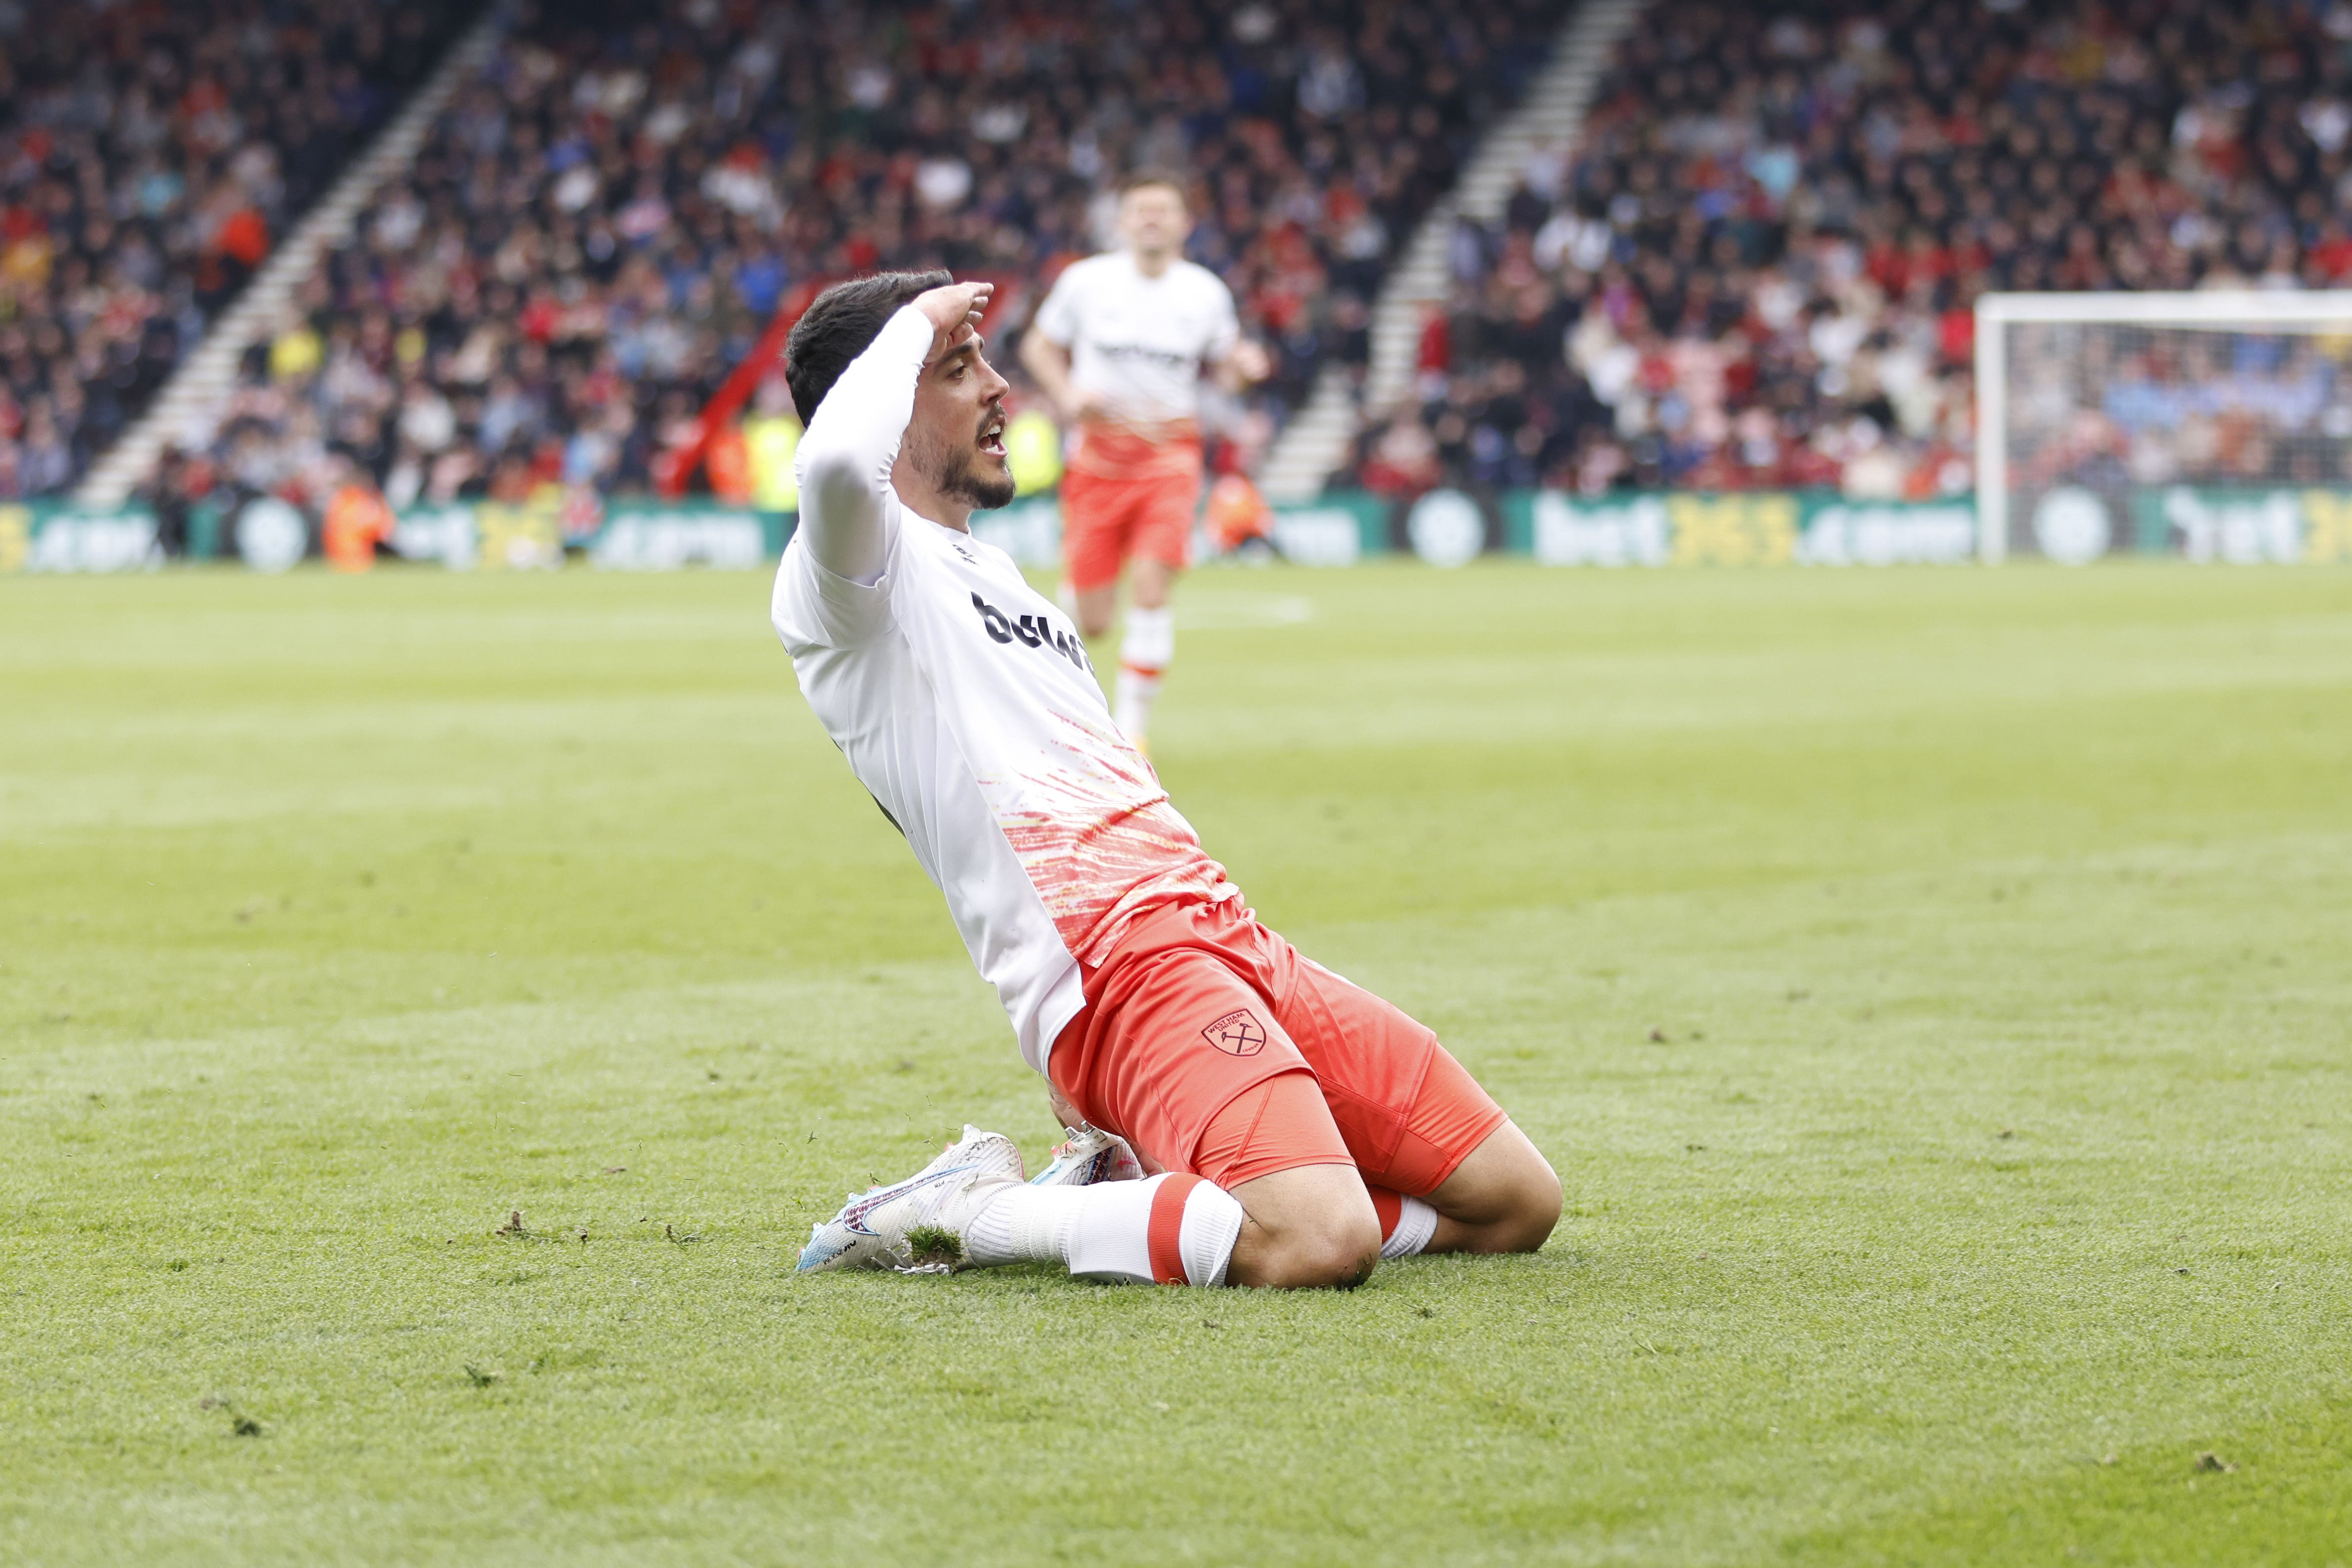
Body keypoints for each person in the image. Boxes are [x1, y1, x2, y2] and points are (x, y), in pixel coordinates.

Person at [772, 270, 1560, 1290]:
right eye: (961, 369)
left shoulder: (1000, 578)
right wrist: (920, 319)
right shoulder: (847, 582)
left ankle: (1140, 1185)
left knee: (1515, 1201)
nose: (1003, 387)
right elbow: (837, 456)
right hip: (1116, 970)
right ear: (880, 395)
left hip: (1229, 934)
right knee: (1320, 1241)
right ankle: (974, 1210)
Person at [1019, 172, 1272, 752]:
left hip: (1170, 454)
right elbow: (1038, 345)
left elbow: (1226, 373)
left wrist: (1246, 366)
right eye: (1141, 210)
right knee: (1094, 618)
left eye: (1164, 210)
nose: (1152, 218)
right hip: (1097, 458)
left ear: (1185, 223)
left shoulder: (1204, 293)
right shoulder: (1086, 282)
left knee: (1155, 585)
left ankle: (1129, 733)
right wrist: (1066, 394)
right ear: (1122, 221)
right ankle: (1067, 690)